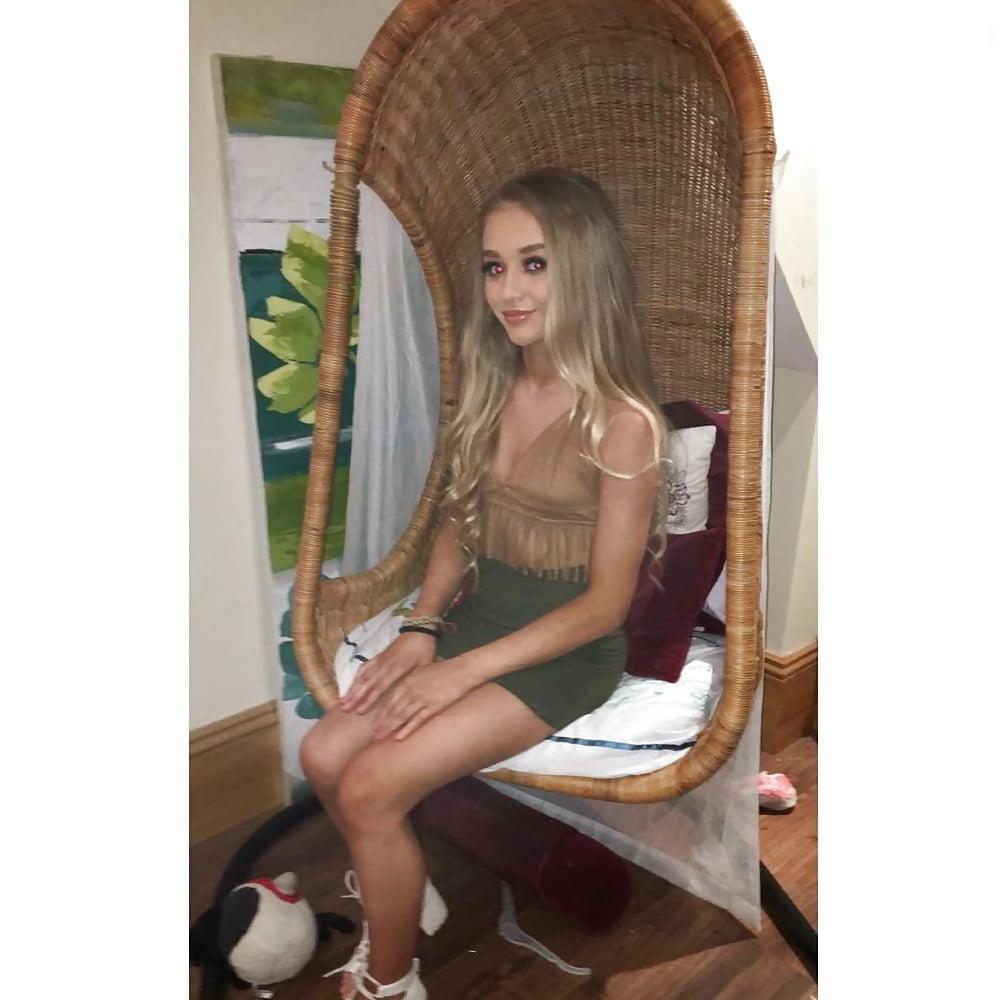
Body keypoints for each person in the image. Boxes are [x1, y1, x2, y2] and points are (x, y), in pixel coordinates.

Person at [299, 166, 672, 999]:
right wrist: (423, 626)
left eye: (535, 263)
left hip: (563, 653)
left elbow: (605, 606)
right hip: (481, 620)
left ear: (584, 266)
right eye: (495, 267)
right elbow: (458, 522)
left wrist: (461, 672)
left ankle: (392, 981)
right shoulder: (495, 381)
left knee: (371, 785)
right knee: (323, 752)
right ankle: (399, 886)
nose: (509, 290)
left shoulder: (623, 422)